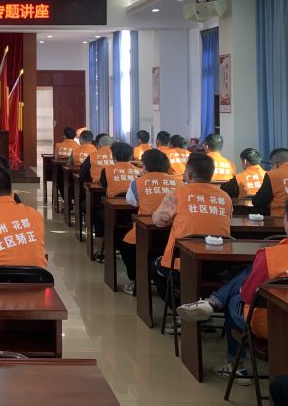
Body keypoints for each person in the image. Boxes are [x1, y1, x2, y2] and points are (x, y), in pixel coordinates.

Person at [176, 199, 288, 385]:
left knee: (235, 298)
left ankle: (237, 366)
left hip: (270, 325)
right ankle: (214, 301)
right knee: (246, 273)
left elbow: (248, 294)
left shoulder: (270, 256)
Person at [152, 152, 232, 318]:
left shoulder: (177, 194)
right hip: (218, 266)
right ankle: (201, 305)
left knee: (155, 265)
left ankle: (179, 312)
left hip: (182, 265)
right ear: (211, 175)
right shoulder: (225, 197)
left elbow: (158, 221)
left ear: (188, 175)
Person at [117, 149, 178, 295]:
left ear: (145, 165)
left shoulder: (138, 182)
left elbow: (130, 201)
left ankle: (136, 280)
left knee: (125, 244)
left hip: (146, 234)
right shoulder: (180, 183)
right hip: (173, 235)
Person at [252, 148, 288, 216]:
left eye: (271, 165)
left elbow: (258, 201)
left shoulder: (273, 174)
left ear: (276, 165)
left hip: (280, 219)